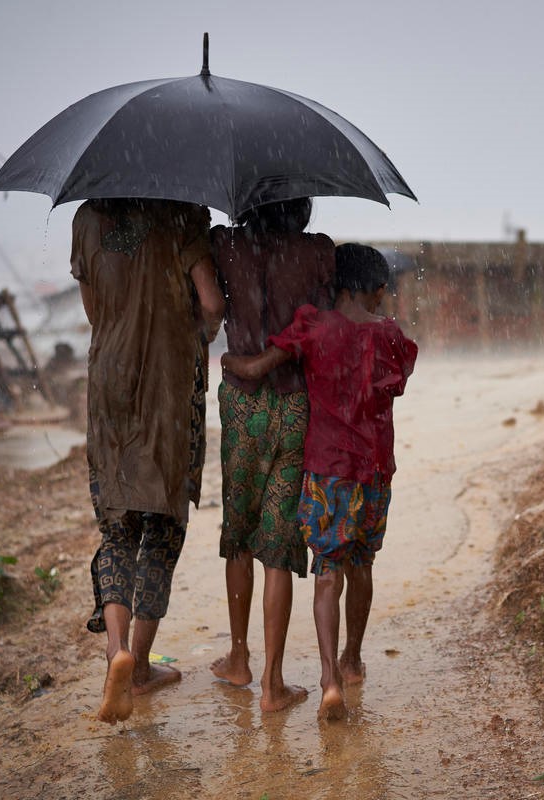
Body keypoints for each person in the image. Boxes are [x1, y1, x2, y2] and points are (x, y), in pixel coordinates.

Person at [223, 243, 417, 720]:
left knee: (327, 573)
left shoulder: (314, 325)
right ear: (377, 290)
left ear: (335, 284)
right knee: (362, 566)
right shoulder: (390, 335)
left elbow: (258, 367)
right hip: (374, 472)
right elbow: (397, 381)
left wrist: (230, 362)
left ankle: (329, 679)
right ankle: (352, 659)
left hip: (327, 472)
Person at [71, 198, 225, 724]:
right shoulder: (181, 213)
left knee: (118, 529)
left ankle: (116, 651)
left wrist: (125, 326)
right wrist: (194, 331)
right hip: (169, 383)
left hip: (110, 382)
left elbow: (95, 312)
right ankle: (138, 668)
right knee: (161, 527)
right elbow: (211, 303)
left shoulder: (87, 219)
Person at [210, 197, 334, 712]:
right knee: (280, 541)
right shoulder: (318, 253)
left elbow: (207, 310)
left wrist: (247, 361)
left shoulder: (225, 244)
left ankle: (239, 657)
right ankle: (272, 683)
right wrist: (273, 359)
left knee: (239, 529)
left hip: (241, 403)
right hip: (294, 402)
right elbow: (317, 326)